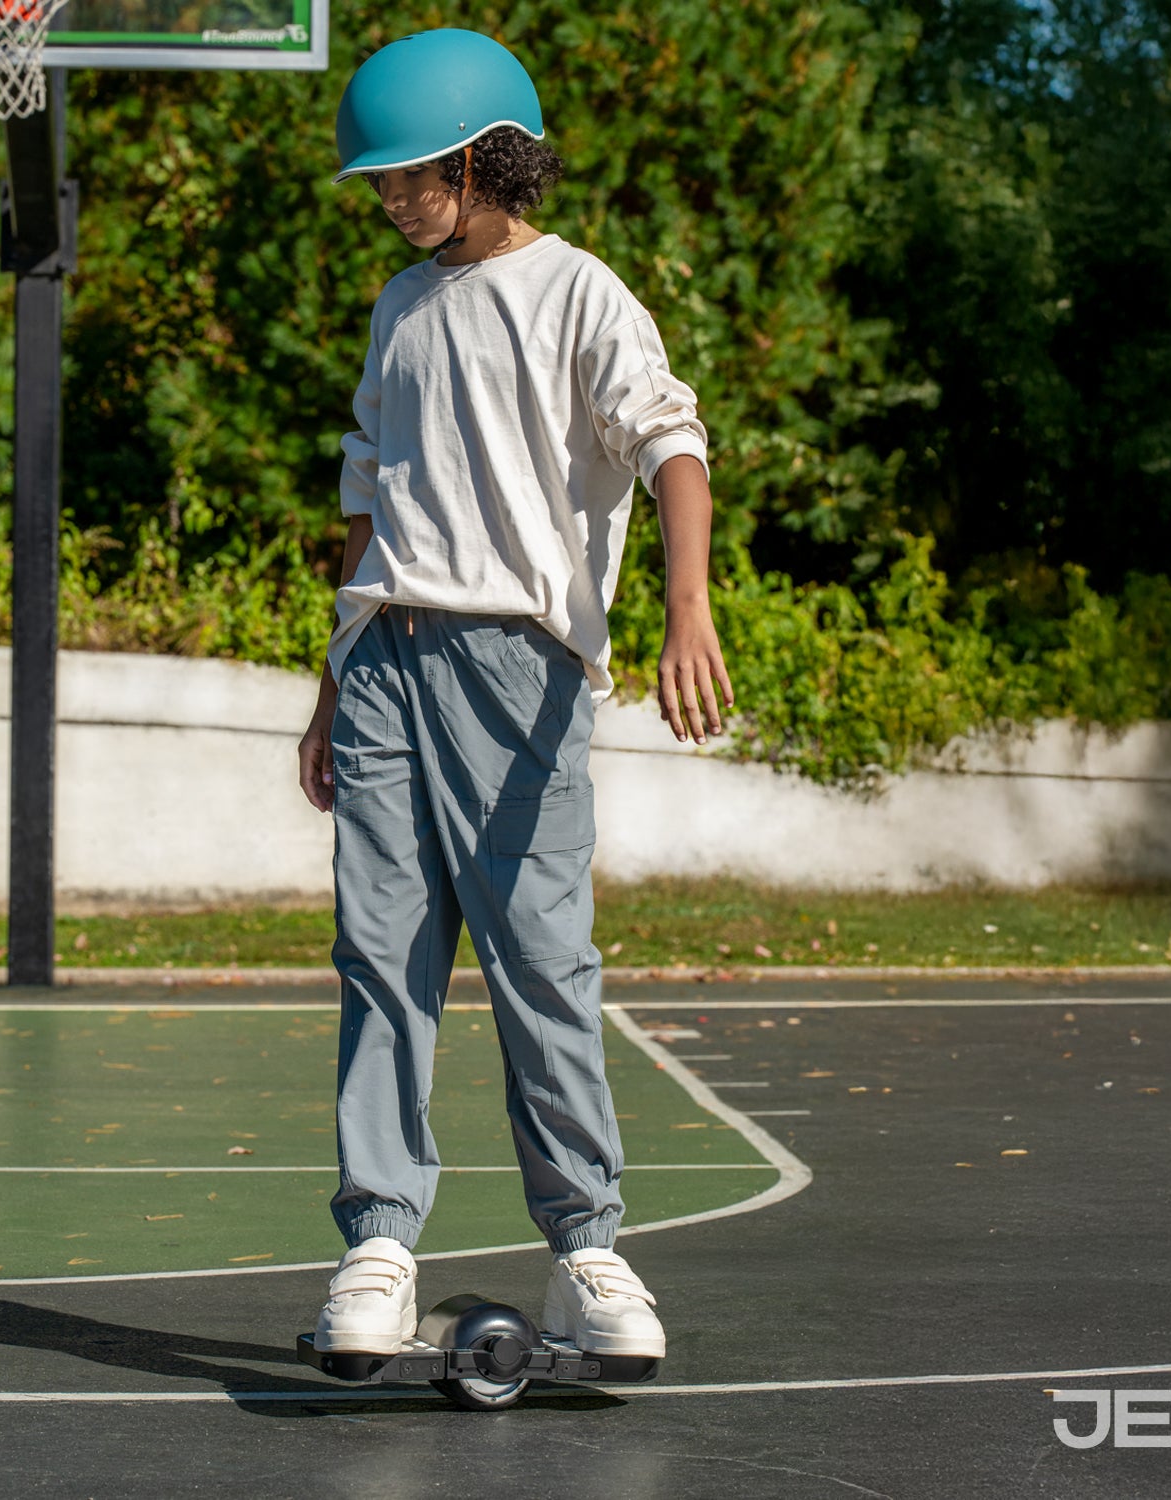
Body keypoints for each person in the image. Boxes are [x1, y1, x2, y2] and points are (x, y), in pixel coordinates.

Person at [296, 28, 732, 1360]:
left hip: (518, 663)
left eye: (408, 174)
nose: (388, 197)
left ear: (486, 159)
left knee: (542, 967)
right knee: (382, 962)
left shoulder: (581, 294)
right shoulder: (398, 304)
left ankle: (589, 1254)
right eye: (378, 181)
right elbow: (371, 503)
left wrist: (688, 607)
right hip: (382, 658)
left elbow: (672, 446)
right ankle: (377, 1243)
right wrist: (326, 691)